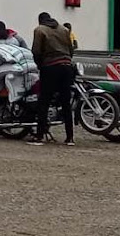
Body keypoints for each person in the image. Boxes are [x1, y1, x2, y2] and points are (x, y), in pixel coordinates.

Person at [30, 12, 75, 146]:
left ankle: (39, 136)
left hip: (50, 67)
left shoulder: (39, 30)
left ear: (40, 21)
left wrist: (40, 65)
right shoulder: (64, 29)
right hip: (67, 67)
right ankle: (70, 138)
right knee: (66, 102)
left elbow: (36, 51)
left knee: (44, 101)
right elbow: (71, 50)